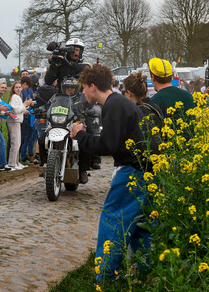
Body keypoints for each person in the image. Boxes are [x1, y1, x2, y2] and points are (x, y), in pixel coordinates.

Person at [70, 64, 149, 282]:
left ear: (93, 86)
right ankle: (147, 269)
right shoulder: (119, 103)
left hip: (133, 170)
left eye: (84, 88)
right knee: (140, 224)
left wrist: (80, 135)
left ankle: (106, 275)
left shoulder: (113, 105)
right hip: (145, 170)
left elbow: (108, 146)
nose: (83, 92)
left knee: (113, 218)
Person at [7, 81, 32, 169]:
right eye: (16, 87)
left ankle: (16, 162)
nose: (18, 89)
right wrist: (25, 105)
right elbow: (16, 110)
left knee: (18, 142)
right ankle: (12, 163)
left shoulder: (18, 97)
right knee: (15, 143)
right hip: (13, 121)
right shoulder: (14, 97)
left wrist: (26, 107)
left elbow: (20, 109)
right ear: (13, 89)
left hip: (17, 121)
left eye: (19, 87)